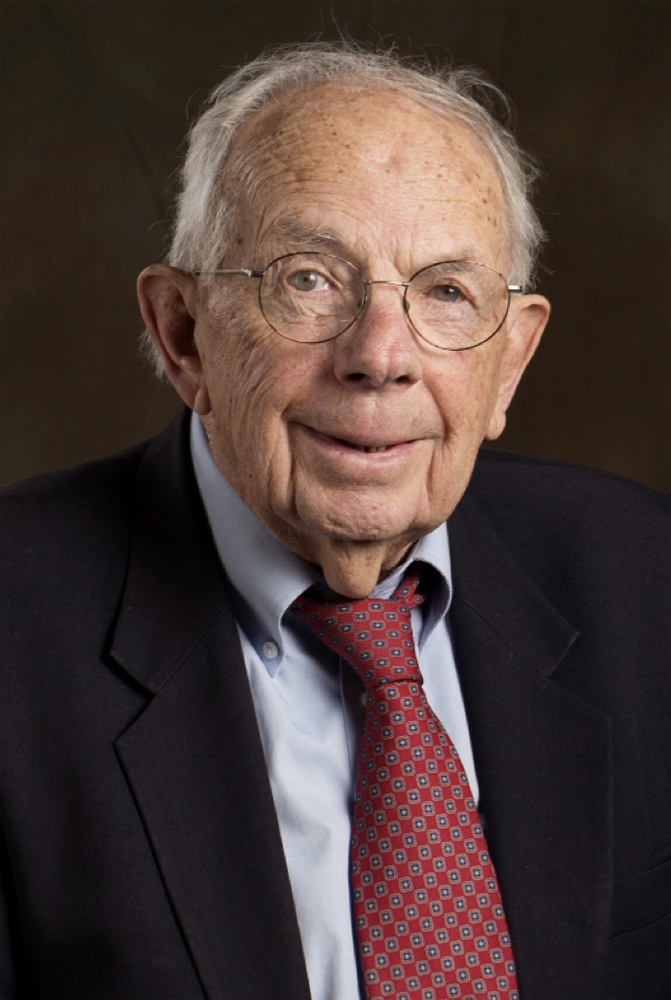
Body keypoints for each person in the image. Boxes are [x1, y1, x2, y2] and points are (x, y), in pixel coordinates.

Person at [1, 41, 668, 1000]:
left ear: (509, 364)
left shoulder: (648, 579)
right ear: (182, 333)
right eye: (307, 278)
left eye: (445, 290)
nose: (381, 356)